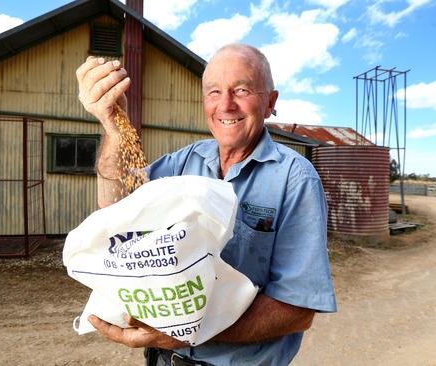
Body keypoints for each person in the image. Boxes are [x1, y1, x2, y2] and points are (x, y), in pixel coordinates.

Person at [76, 44, 337, 366]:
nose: (226, 105)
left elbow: (297, 309)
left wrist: (188, 332)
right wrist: (113, 125)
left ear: (270, 102)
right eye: (214, 91)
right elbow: (115, 209)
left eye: (241, 90)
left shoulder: (294, 178)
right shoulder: (182, 162)